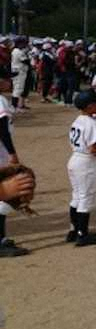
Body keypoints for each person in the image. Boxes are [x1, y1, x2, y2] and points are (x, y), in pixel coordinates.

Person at [66, 89, 96, 248]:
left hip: (75, 160)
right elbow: (93, 148)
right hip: (86, 162)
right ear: (91, 106)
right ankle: (82, 234)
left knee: (77, 196)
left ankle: (74, 230)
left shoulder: (78, 119)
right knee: (86, 197)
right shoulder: (91, 123)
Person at [0, 77, 25, 256]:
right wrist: (12, 153)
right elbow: (2, 130)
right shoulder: (0, 101)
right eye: (6, 78)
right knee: (4, 197)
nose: (10, 81)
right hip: (0, 154)